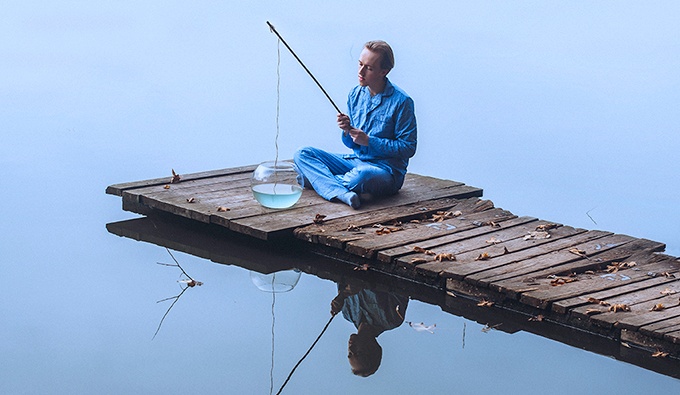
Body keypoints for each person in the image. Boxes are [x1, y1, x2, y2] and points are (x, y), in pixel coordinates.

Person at [294, 40, 417, 209]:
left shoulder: (402, 102)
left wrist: (369, 141)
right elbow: (351, 144)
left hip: (384, 172)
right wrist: (346, 130)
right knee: (303, 154)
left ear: (384, 71)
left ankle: (317, 181)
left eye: (369, 68)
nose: (361, 71)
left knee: (362, 176)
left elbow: (408, 148)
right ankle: (342, 192)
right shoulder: (355, 94)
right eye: (360, 64)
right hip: (355, 161)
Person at [331, 282, 409, 377]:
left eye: (350, 354)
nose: (351, 348)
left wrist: (341, 295)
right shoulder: (392, 319)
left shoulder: (347, 312)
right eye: (358, 353)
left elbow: (340, 276)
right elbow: (402, 284)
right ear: (371, 348)